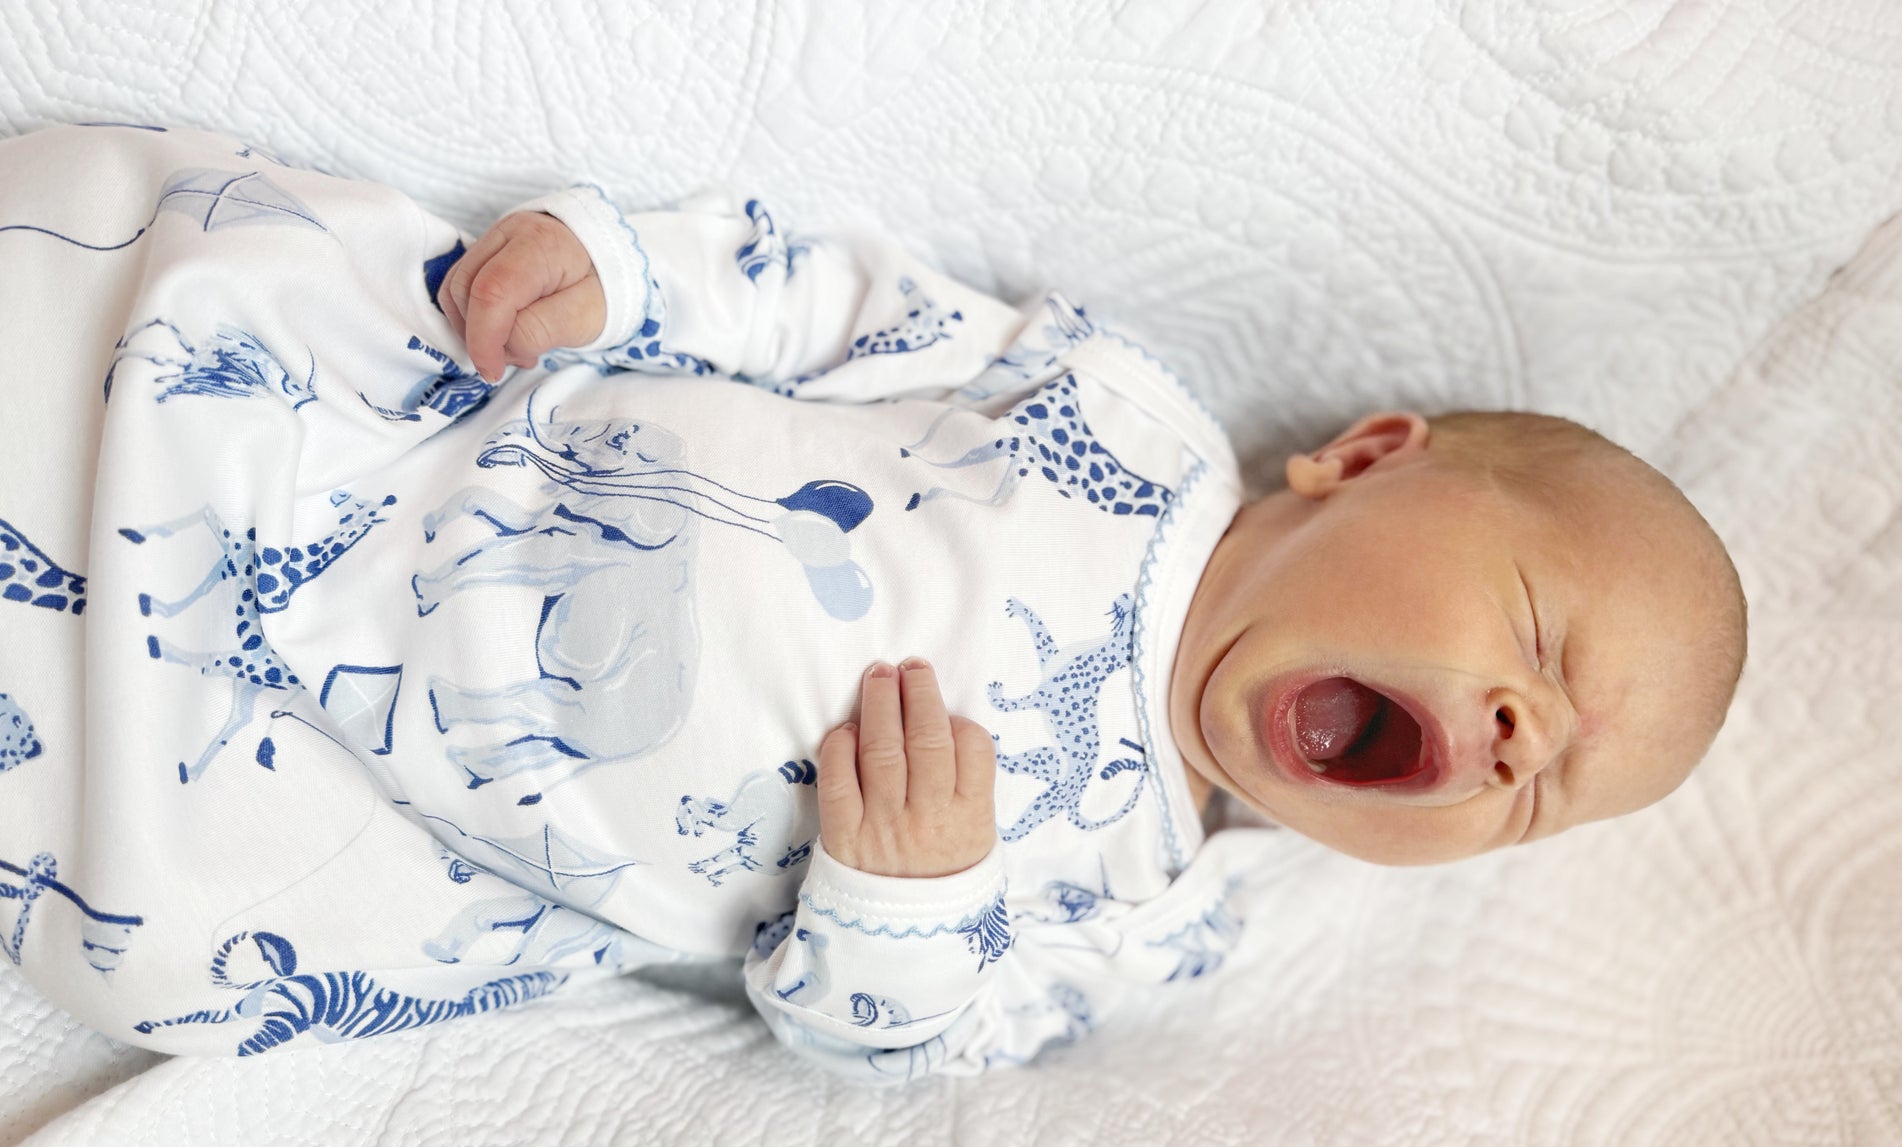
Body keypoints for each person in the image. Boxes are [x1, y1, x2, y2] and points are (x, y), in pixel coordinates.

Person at [0, 124, 1744, 1078]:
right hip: (426, 459)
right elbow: (827, 308)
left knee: (170, 909)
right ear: (1363, 460)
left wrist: (904, 914)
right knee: (131, 313)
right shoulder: (1118, 420)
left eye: (1539, 795)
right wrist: (621, 266)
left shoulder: (1152, 906)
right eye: (1536, 637)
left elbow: (910, 1041)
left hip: (403, 809)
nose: (1518, 740)